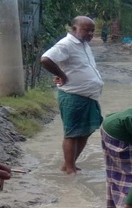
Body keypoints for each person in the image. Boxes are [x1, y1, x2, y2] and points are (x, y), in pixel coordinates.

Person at [40, 16, 104, 175]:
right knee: (72, 133)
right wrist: (61, 75)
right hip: (74, 96)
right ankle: (69, 169)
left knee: (86, 130)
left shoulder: (83, 45)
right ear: (73, 29)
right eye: (86, 30)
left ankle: (69, 164)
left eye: (92, 30)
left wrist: (63, 73)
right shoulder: (66, 44)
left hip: (88, 96)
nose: (89, 33)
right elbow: (46, 59)